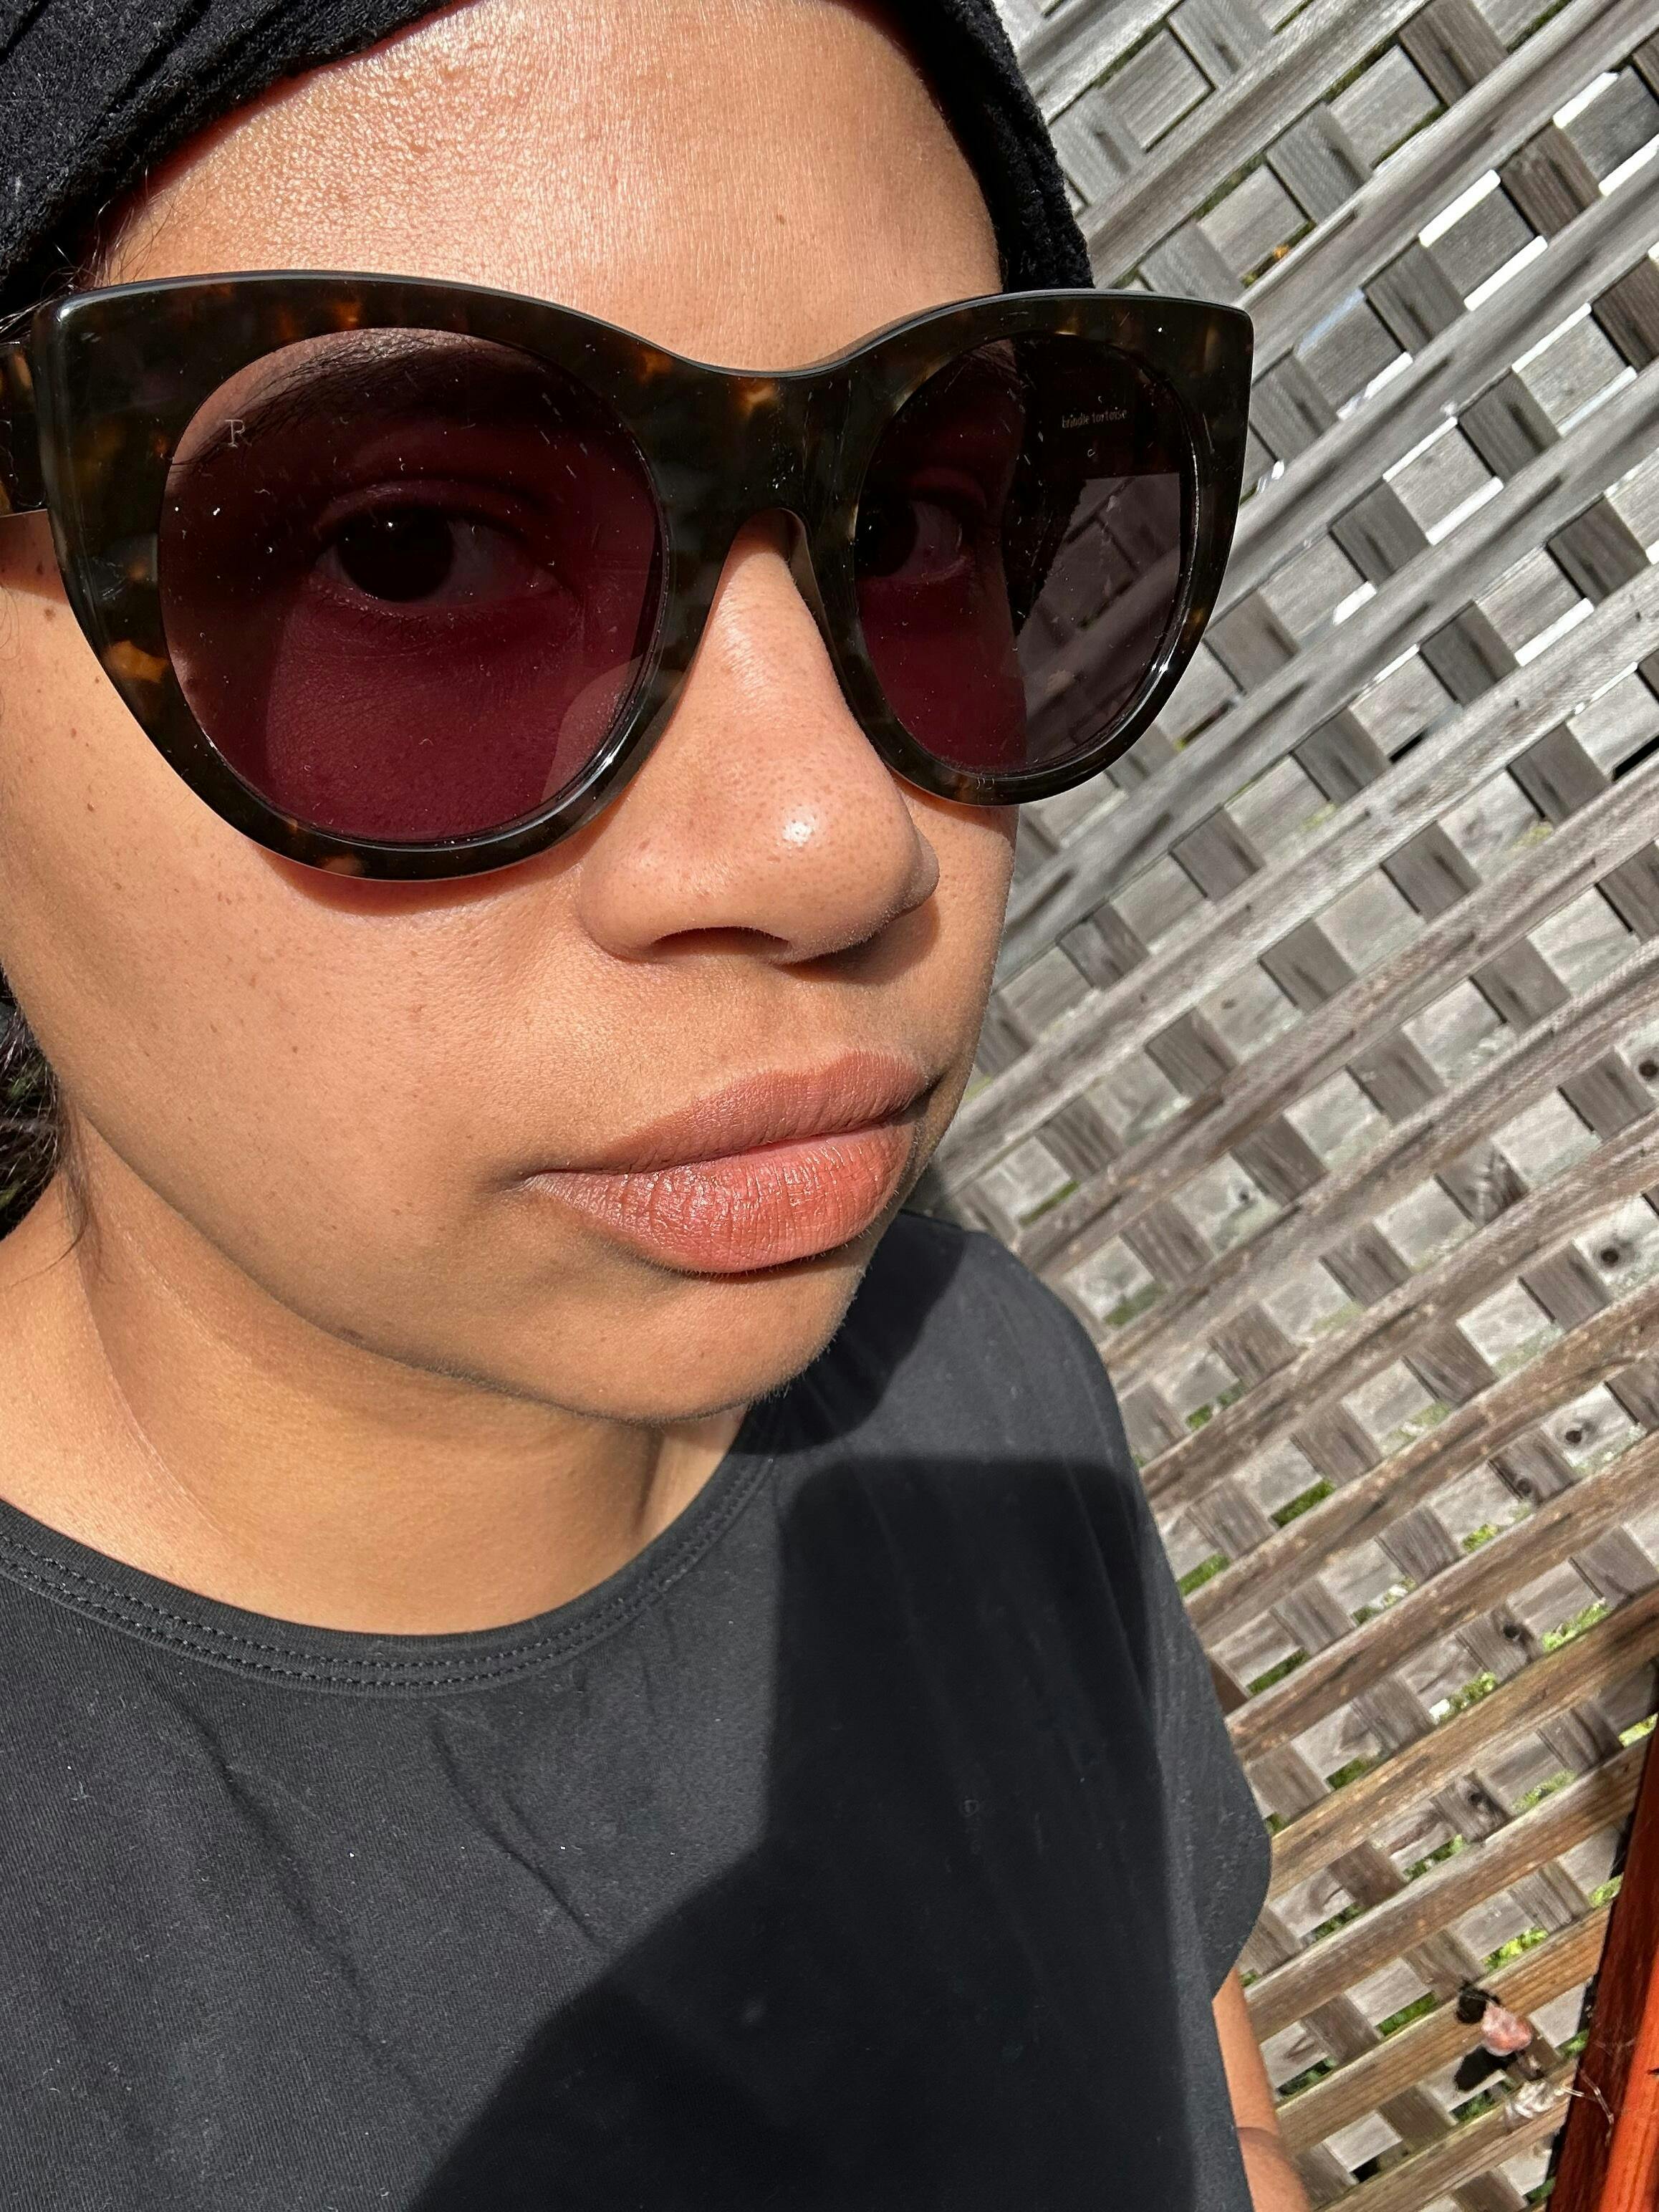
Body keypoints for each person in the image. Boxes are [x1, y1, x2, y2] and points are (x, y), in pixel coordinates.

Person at [0, 1, 1302, 2204]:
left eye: (917, 509)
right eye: (405, 547)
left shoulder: (975, 1394)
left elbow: (1193, 2090)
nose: (837, 843)